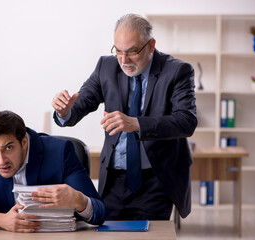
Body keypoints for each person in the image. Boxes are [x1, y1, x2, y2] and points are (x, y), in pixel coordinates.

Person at [52, 13, 197, 220]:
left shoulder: (177, 71)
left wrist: (136, 124)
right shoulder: (106, 66)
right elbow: (80, 105)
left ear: (151, 45)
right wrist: (64, 111)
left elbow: (186, 121)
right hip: (113, 181)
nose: (123, 60)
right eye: (118, 51)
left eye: (132, 51)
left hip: (156, 180)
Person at [0, 110, 106, 232]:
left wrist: (79, 200)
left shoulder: (60, 152)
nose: (1, 160)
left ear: (23, 142)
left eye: (8, 148)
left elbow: (100, 213)